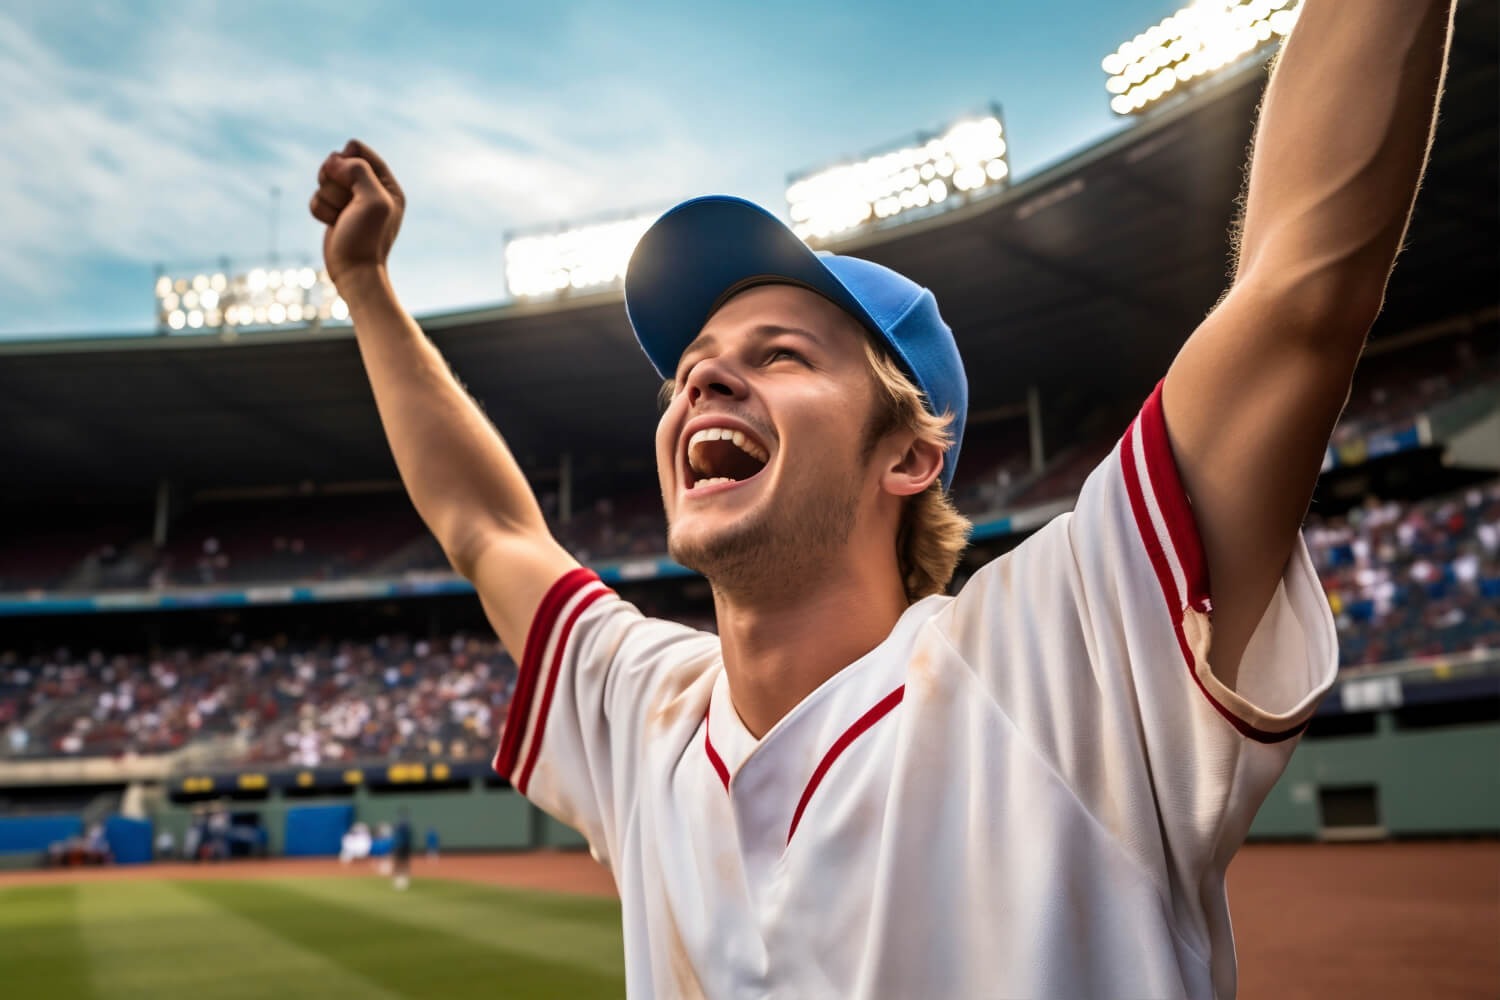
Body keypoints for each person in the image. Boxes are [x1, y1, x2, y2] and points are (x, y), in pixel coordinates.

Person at [309, 3, 1454, 994]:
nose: (705, 374)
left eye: (781, 356)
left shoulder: (1062, 656)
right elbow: (489, 526)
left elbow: (1305, 281)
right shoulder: (646, 708)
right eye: (695, 361)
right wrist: (365, 288)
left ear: (906, 457)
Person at [391, 808, 413, 891]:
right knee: (402, 863)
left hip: (401, 847)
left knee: (401, 863)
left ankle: (401, 879)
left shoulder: (401, 826)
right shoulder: (405, 826)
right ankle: (401, 879)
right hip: (403, 847)